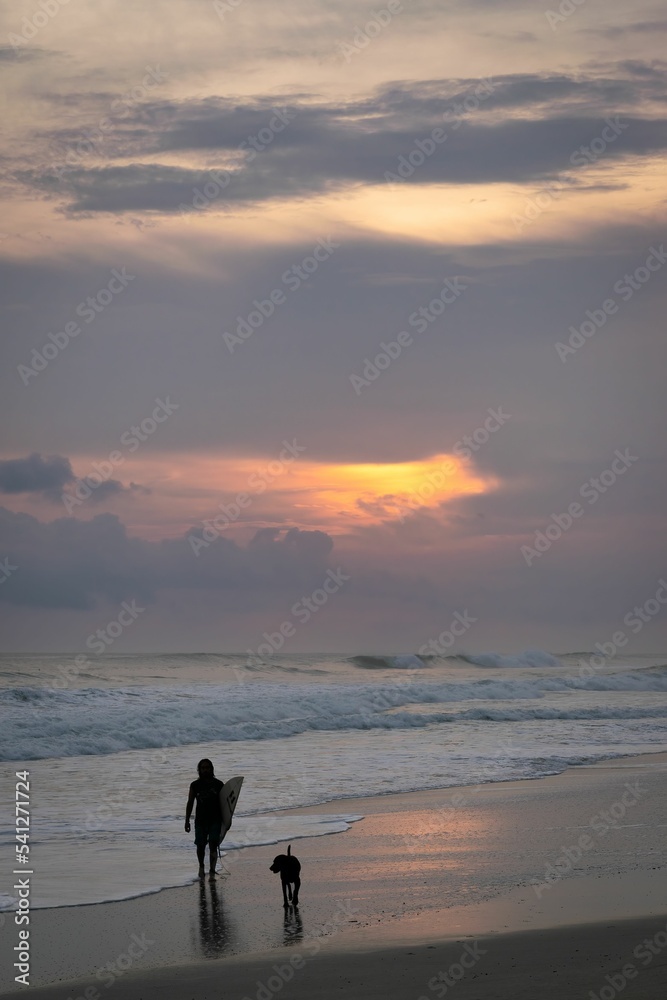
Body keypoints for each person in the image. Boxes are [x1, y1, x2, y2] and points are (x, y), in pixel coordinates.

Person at [185, 759, 224, 878]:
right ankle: (201, 866)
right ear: (199, 770)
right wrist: (187, 820)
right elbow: (190, 802)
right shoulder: (195, 785)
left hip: (215, 819)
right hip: (200, 820)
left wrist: (227, 821)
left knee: (213, 845)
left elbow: (225, 804)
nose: (205, 770)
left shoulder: (219, 784)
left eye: (207, 767)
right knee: (200, 845)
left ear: (211, 769)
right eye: (203, 768)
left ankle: (212, 870)